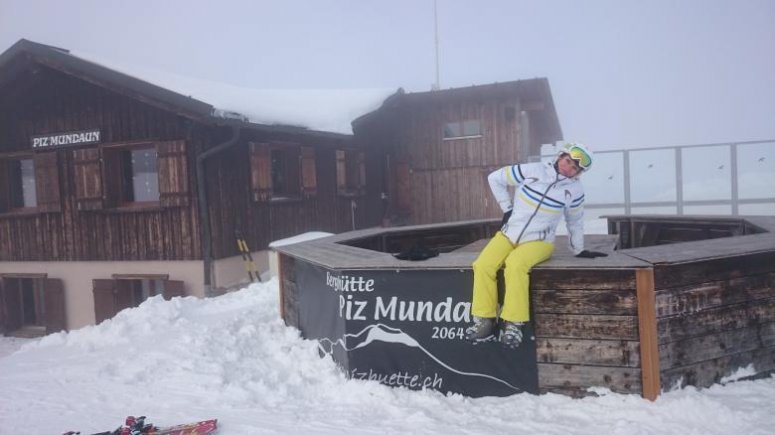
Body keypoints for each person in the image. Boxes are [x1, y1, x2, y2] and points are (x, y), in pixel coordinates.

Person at [465, 142, 607, 348]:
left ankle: (514, 323)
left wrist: (578, 249)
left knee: (515, 264)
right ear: (560, 156)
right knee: (483, 264)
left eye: (574, 168)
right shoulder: (534, 170)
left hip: (539, 241)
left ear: (578, 173)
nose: (568, 168)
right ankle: (484, 320)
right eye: (568, 161)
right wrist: (507, 208)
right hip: (509, 234)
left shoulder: (575, 191)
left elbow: (575, 220)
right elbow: (495, 178)